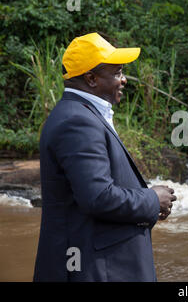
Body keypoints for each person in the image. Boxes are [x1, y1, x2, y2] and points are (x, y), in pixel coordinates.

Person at [33, 32, 176, 282]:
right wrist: (152, 199)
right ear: (91, 79)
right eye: (118, 73)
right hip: (94, 269)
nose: (124, 80)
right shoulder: (77, 121)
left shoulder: (81, 114)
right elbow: (98, 197)